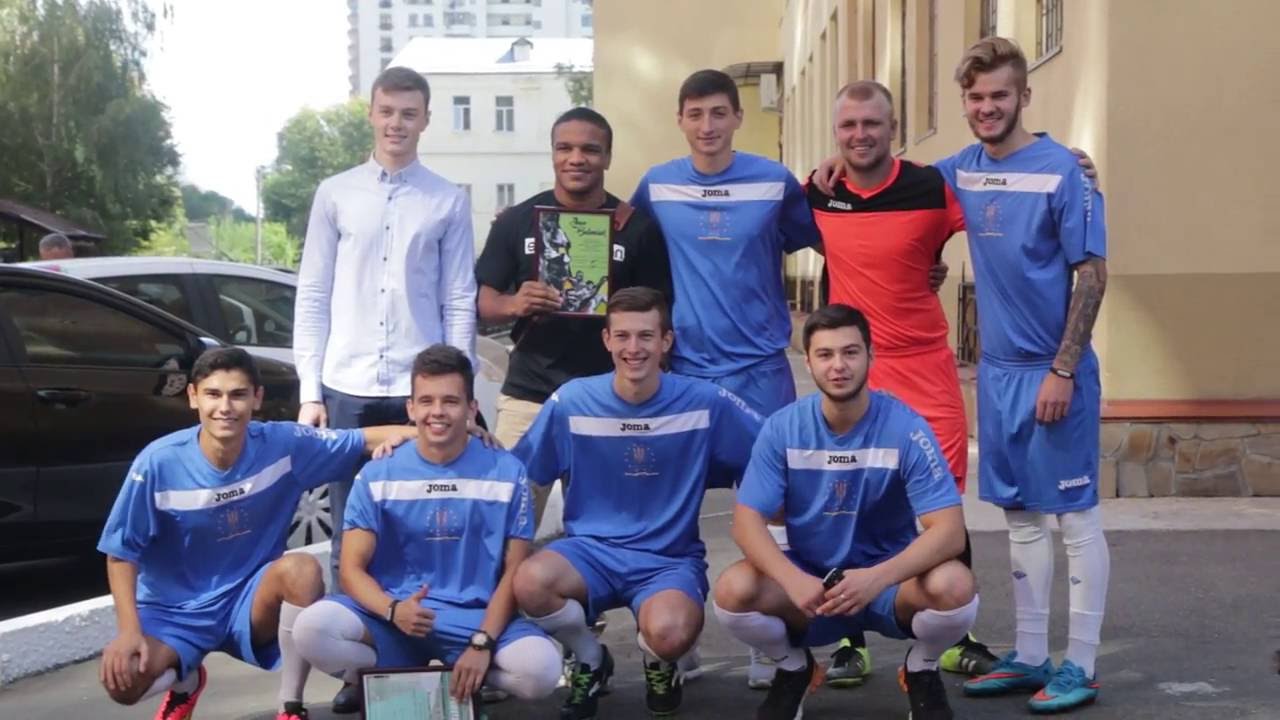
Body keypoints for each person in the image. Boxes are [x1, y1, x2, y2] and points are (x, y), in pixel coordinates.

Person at [930, 37, 1109, 714]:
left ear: (1024, 96)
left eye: (999, 95)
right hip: (998, 375)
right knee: (1021, 519)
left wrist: (1063, 369)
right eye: (975, 97)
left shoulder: (1065, 171)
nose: (987, 107)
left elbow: (1092, 275)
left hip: (1052, 370)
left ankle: (1081, 664)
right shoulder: (960, 170)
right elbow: (893, 186)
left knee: (1074, 518)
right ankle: (1031, 654)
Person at [96, 347, 419, 720]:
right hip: (175, 612)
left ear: (257, 398)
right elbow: (121, 553)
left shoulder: (283, 444)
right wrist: (129, 632)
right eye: (213, 394)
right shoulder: (157, 462)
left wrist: (446, 433)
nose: (225, 407)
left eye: (238, 394)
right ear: (193, 397)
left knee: (301, 570)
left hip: (247, 603)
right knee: (123, 682)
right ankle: (186, 682)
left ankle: (290, 705)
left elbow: (362, 439)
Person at [628, 69, 822, 687]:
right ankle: (673, 638)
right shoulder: (657, 185)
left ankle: (767, 640)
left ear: (738, 117)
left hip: (761, 368)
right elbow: (621, 249)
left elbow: (837, 236)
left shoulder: (773, 181)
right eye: (695, 114)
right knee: (671, 505)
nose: (707, 125)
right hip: (687, 372)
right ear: (680, 120)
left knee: (769, 505)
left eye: (718, 113)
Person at [805, 80, 999, 685]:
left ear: (894, 128)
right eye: (848, 125)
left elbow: (1003, 201)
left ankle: (953, 634)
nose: (859, 135)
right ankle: (848, 639)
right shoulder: (818, 192)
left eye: (872, 124)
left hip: (926, 370)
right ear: (836, 133)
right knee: (849, 504)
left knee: (942, 507)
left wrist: (1066, 166)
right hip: (855, 373)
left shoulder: (932, 187)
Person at [292, 65, 477, 679]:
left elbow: (458, 298)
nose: (397, 123)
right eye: (387, 111)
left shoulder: (447, 200)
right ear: (371, 113)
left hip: (416, 391)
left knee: (417, 525)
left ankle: (425, 655)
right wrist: (310, 391)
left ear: (426, 119)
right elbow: (313, 293)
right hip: (346, 386)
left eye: (409, 113)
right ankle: (360, 670)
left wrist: (460, 390)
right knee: (353, 532)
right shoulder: (335, 194)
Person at [713, 305, 978, 720]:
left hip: (890, 583)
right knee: (733, 590)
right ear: (808, 362)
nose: (838, 365)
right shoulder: (782, 428)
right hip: (812, 584)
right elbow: (746, 524)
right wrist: (793, 580)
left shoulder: (906, 427)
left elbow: (949, 531)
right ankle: (794, 669)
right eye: (825, 354)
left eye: (851, 352)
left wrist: (876, 578)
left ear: (871, 356)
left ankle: (921, 669)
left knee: (955, 585)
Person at [510, 287, 763, 720]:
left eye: (646, 336)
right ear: (606, 340)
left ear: (666, 341)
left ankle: (659, 661)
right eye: (623, 336)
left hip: (667, 559)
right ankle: (590, 658)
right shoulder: (572, 401)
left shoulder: (705, 401)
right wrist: (468, 445)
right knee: (529, 582)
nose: (634, 348)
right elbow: (520, 474)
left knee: (670, 633)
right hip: (589, 552)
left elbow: (771, 448)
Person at [291, 345, 561, 708]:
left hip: (474, 618)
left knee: (541, 671)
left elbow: (514, 571)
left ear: (472, 408)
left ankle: (450, 685)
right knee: (312, 629)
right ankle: (402, 678)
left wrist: (482, 643)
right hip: (396, 618)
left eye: (450, 401)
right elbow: (351, 570)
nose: (437, 412)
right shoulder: (378, 472)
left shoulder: (507, 472)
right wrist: (392, 609)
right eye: (426, 401)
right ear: (411, 408)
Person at [475, 106, 672, 531]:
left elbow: (660, 315)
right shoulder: (517, 222)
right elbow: (481, 301)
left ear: (608, 157)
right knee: (506, 524)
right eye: (564, 148)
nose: (576, 159)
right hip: (528, 396)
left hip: (608, 398)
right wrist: (514, 304)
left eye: (589, 149)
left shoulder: (637, 229)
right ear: (552, 154)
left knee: (607, 528)